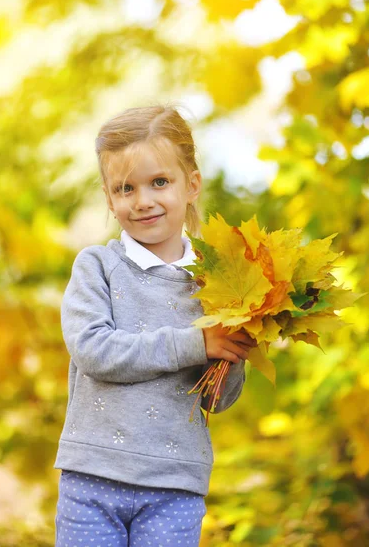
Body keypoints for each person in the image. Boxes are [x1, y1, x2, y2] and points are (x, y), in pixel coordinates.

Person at [54, 103, 256, 547]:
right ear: (109, 199)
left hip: (175, 483)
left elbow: (216, 401)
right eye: (126, 188)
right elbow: (93, 351)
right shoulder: (98, 267)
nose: (143, 200)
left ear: (192, 184)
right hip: (93, 477)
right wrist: (197, 342)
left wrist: (232, 349)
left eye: (159, 182)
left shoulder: (216, 281)